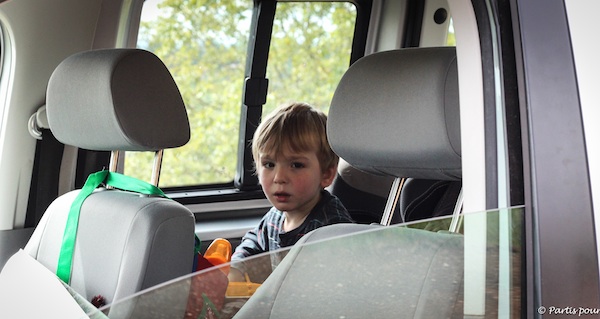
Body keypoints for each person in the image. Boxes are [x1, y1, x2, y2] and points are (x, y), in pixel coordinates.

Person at [229, 102, 354, 280]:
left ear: (326, 174)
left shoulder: (331, 229)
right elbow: (254, 243)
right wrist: (238, 268)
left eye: (296, 165)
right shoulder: (275, 218)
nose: (279, 177)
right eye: (269, 164)